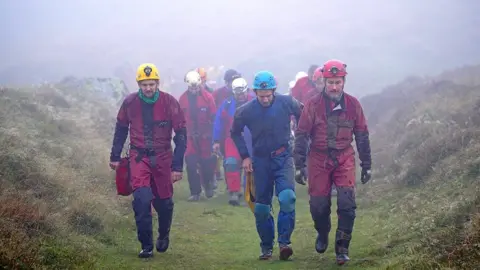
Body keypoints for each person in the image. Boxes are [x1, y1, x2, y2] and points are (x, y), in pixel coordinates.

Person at [293, 59, 372, 265]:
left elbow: (362, 135)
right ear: (324, 82)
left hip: (344, 156)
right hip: (318, 158)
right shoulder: (312, 105)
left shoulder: (354, 105)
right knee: (318, 206)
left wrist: (367, 165)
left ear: (343, 81)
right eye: (330, 82)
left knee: (347, 204)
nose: (334, 87)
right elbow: (301, 134)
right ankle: (322, 231)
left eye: (338, 82)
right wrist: (299, 165)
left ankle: (342, 247)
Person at [109, 63, 187, 258]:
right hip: (138, 157)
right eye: (144, 84)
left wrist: (177, 166)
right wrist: (115, 156)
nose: (148, 88)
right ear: (138, 84)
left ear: (157, 83)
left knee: (165, 203)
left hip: (163, 157)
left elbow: (181, 134)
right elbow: (120, 129)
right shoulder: (129, 103)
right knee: (142, 200)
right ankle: (146, 245)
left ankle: (163, 234)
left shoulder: (170, 102)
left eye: (151, 84)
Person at [231, 70, 303, 261]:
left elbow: (304, 115)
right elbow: (235, 132)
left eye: (268, 95)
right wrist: (245, 156)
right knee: (262, 208)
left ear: (274, 91)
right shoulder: (245, 110)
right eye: (261, 96)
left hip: (283, 157)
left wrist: (301, 141)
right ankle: (266, 247)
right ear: (255, 92)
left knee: (287, 198)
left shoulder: (287, 102)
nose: (265, 99)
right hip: (260, 161)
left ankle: (284, 243)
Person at [212, 77, 253, 206]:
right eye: (238, 93)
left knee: (251, 166)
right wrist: (216, 140)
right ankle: (234, 192)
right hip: (232, 139)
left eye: (242, 93)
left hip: (251, 139)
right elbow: (218, 121)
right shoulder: (227, 104)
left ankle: (249, 193)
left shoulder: (255, 101)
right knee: (231, 163)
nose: (240, 96)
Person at [178, 70, 217, 201]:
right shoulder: (182, 99)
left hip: (205, 137)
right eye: (191, 87)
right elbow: (179, 120)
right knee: (191, 163)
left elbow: (214, 117)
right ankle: (195, 192)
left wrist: (213, 135)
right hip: (189, 137)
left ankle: (208, 184)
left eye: (196, 86)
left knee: (207, 164)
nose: (194, 89)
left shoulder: (208, 97)